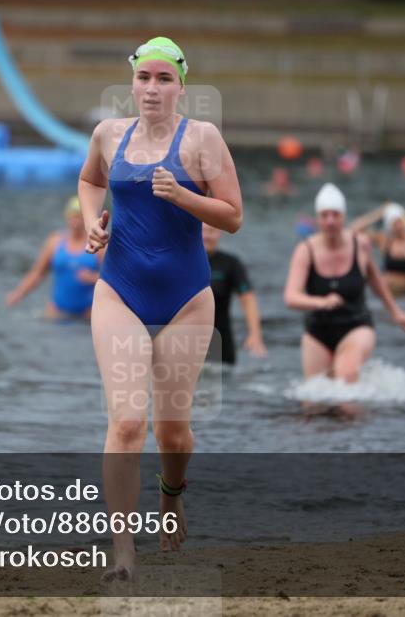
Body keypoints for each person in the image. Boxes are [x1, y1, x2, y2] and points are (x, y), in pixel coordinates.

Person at [77, 37, 242, 580]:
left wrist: (184, 197)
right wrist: (95, 221)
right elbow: (89, 180)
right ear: (132, 84)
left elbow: (233, 216)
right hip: (118, 291)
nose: (152, 88)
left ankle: (171, 499)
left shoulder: (202, 139)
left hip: (187, 299)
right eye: (144, 78)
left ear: (181, 87)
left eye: (163, 79)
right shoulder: (108, 134)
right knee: (126, 422)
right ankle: (123, 552)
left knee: (172, 432)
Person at [283, 184, 405, 416]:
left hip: (356, 325)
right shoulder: (305, 250)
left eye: (336, 215)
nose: (331, 221)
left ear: (344, 216)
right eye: (325, 215)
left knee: (346, 377)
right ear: (318, 219)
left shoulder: (359, 243)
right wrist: (320, 302)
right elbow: (291, 297)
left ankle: (352, 445)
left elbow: (374, 278)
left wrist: (395, 311)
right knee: (315, 402)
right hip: (317, 331)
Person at [5, 196, 102, 319]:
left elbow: (113, 278)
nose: (76, 222)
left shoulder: (99, 245)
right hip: (57, 312)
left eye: (80, 217)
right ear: (67, 217)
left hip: (87, 314)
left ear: (87, 219)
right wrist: (18, 293)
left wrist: (93, 278)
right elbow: (38, 273)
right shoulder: (55, 242)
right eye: (73, 216)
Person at [203, 223, 267, 365]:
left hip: (221, 340)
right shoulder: (184, 260)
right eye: (204, 231)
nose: (207, 236)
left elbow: (248, 299)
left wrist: (255, 334)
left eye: (212, 231)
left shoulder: (230, 263)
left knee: (224, 380)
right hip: (186, 337)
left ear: (220, 232)